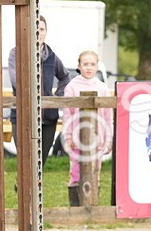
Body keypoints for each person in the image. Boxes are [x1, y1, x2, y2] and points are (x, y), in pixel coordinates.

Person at [9, 15, 72, 166]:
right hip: (22, 115)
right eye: (35, 28)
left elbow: (65, 77)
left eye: (42, 29)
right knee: (25, 162)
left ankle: (34, 188)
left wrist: (56, 98)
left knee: (40, 164)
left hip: (48, 118)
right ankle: (23, 186)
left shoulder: (52, 57)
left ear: (46, 32)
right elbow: (15, 81)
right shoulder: (16, 53)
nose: (39, 32)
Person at [61, 50, 113, 206]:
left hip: (97, 139)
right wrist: (68, 137)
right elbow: (67, 115)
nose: (89, 68)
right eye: (85, 64)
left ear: (97, 66)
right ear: (79, 66)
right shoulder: (71, 87)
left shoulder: (102, 88)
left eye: (92, 64)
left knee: (95, 171)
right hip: (77, 140)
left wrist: (108, 139)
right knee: (76, 171)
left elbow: (107, 116)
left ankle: (92, 205)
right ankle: (76, 207)